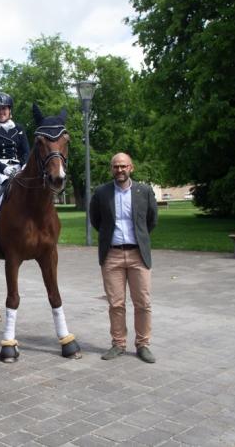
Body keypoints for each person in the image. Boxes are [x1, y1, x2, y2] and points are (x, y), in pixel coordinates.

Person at [90, 152, 158, 364]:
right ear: (111, 169)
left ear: (131, 168)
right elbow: (96, 220)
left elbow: (151, 220)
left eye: (123, 166)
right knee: (116, 303)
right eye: (116, 166)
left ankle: (143, 344)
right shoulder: (101, 193)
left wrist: (139, 238)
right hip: (112, 255)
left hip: (138, 254)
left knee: (143, 302)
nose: (119, 170)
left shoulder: (144, 191)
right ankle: (118, 343)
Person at [0, 92, 30, 209]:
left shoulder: (19, 129)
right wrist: (4, 169)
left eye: (4, 108)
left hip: (18, 168)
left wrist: (24, 165)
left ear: (9, 110)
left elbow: (26, 151)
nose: (1, 112)